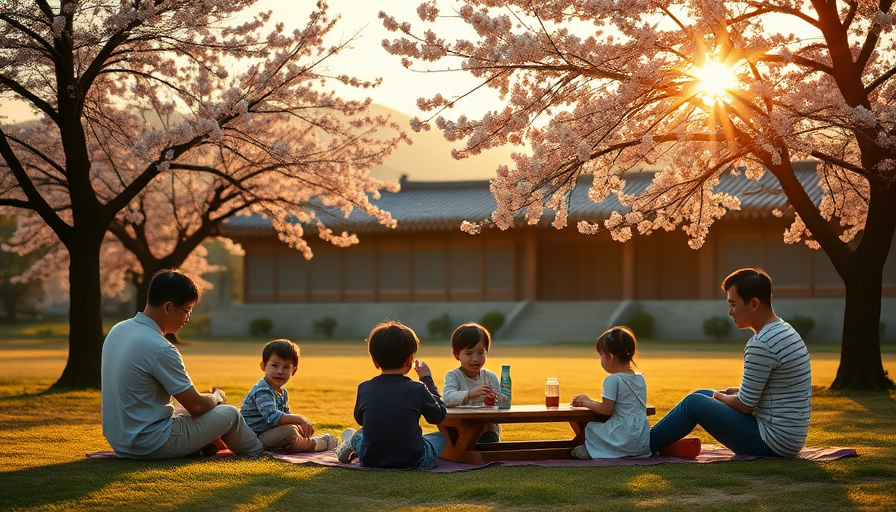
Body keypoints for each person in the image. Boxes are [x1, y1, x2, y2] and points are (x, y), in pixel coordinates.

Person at [649, 267, 812, 457]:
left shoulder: (762, 343)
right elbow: (768, 393)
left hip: (772, 442)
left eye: (733, 304)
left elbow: (745, 405)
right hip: (788, 439)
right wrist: (729, 393)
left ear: (754, 303)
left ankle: (641, 446)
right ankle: (657, 441)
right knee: (701, 394)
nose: (730, 312)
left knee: (694, 402)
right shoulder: (784, 330)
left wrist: (720, 397)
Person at [101, 269, 263, 459]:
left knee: (181, 409)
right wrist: (217, 397)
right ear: (168, 307)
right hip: (149, 442)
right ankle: (257, 450)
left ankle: (204, 445)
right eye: (187, 310)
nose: (188, 318)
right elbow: (196, 405)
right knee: (230, 414)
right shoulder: (160, 347)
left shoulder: (118, 330)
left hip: (120, 440)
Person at [335, 320, 447, 469]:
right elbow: (438, 415)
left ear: (375, 361)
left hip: (371, 459)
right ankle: (353, 441)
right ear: (410, 360)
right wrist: (427, 380)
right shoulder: (418, 388)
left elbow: (361, 420)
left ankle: (351, 442)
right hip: (415, 461)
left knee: (359, 434)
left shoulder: (364, 387)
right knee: (440, 437)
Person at [240, 339, 337, 453]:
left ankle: (301, 441)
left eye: (286, 367)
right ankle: (314, 444)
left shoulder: (282, 391)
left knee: (301, 428)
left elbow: (285, 413)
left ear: (293, 370)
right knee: (289, 433)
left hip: (270, 431)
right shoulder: (263, 389)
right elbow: (272, 416)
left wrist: (301, 423)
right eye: (274, 365)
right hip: (254, 437)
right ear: (263, 366)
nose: (280, 371)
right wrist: (299, 419)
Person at [569, 326, 651, 459]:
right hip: (641, 438)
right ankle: (618, 450)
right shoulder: (640, 378)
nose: (600, 359)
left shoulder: (613, 379)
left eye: (600, 354)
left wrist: (586, 402)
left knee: (590, 427)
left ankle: (594, 450)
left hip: (623, 434)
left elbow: (606, 409)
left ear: (610, 357)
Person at [442, 323, 501, 443]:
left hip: (486, 431)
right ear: (456, 355)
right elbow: (447, 398)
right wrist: (470, 393)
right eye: (469, 353)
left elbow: (501, 403)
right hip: (460, 429)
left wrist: (498, 399)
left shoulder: (490, 377)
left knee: (488, 442)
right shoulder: (454, 376)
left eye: (480, 353)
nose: (475, 359)